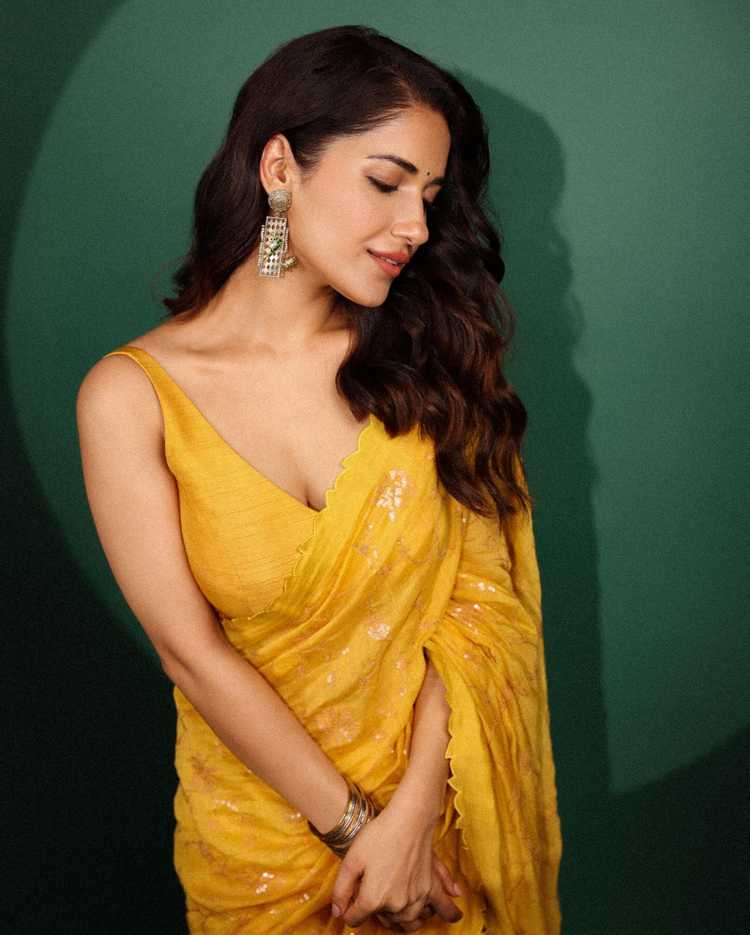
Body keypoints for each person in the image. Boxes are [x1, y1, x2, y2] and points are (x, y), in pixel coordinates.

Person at [76, 24, 562, 934]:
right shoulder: (131, 397)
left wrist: (411, 820)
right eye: (385, 183)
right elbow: (192, 654)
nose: (416, 228)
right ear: (279, 168)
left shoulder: (429, 365)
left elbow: (480, 607)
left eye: (430, 197)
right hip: (260, 856)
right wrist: (357, 830)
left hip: (442, 840)